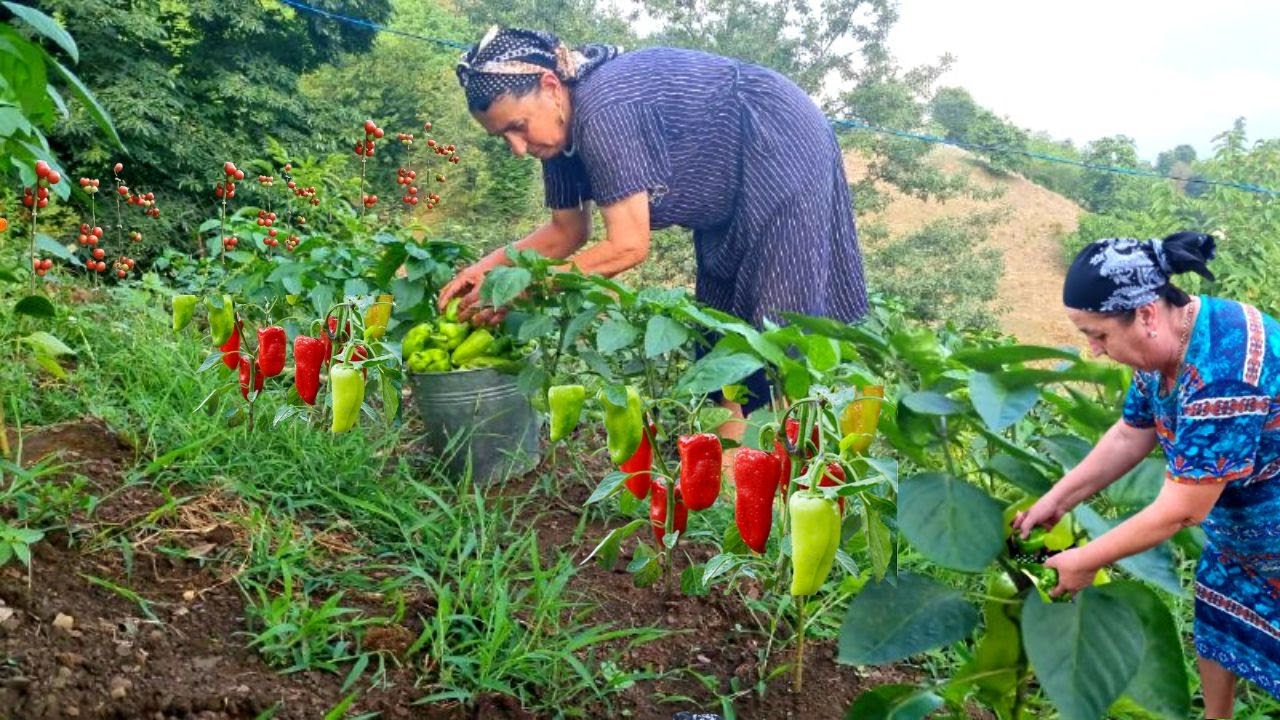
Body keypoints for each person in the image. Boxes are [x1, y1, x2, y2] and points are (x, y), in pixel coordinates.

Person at [439, 26, 868, 419]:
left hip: (779, 135)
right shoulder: (557, 136)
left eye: (518, 127)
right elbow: (567, 231)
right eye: (503, 137)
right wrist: (488, 269)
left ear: (551, 87)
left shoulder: (604, 109)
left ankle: (795, 474)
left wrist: (524, 288)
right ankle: (729, 471)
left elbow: (628, 246)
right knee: (718, 318)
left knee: (780, 322)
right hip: (726, 188)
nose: (517, 147)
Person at [1013, 232, 1280, 717]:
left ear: (1147, 314)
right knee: (1219, 611)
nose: (1094, 350)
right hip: (1243, 534)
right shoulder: (1165, 347)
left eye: (1098, 335)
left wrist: (1086, 558)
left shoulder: (1224, 367)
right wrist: (1058, 498)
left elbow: (1184, 509)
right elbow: (1131, 433)